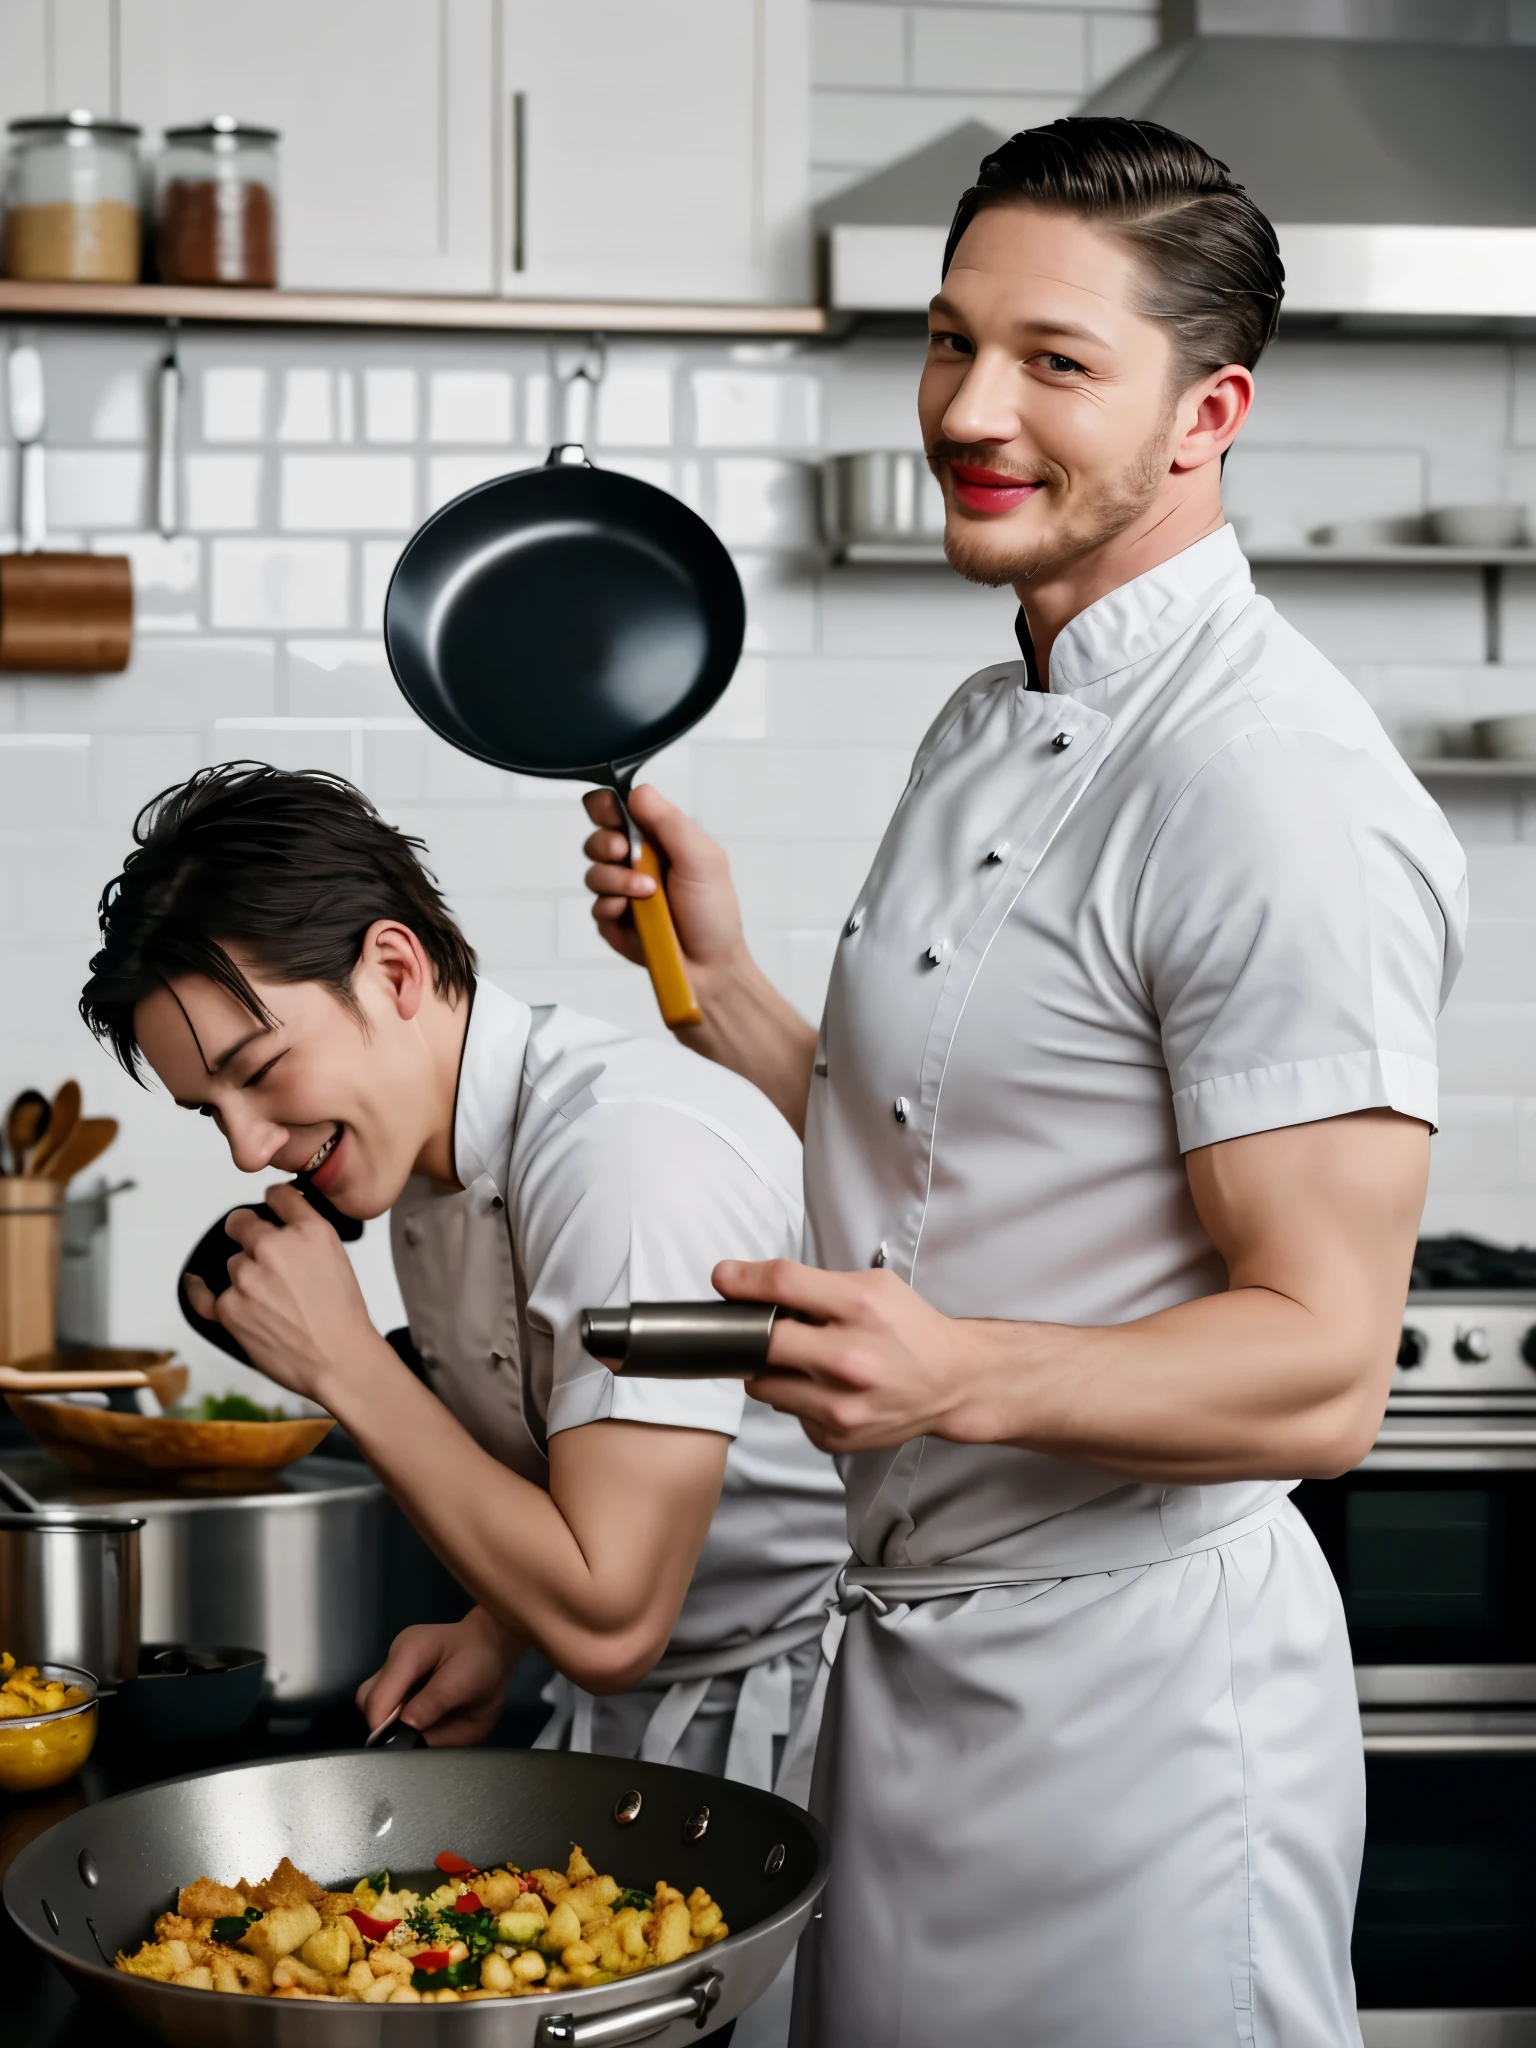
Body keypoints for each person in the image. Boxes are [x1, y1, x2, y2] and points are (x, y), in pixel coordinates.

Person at [581, 118, 1468, 2046]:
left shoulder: (1269, 784)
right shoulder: (998, 708)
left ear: (1203, 411)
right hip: (913, 1677)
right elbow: (965, 1154)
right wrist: (723, 990)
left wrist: (955, 1370)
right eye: (947, 340)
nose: (971, 408)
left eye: (1056, 362)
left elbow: (1325, 1371)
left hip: (1140, 1727)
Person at [78, 764, 847, 2044]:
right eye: (213, 1108)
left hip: (812, 1732)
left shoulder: (622, 1156)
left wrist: (344, 1363)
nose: (248, 1146)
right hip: (659, 1741)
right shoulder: (433, 1169)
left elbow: (610, 1613)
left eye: (260, 1069)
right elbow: (585, 1480)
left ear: (393, 969)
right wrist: (496, 1627)